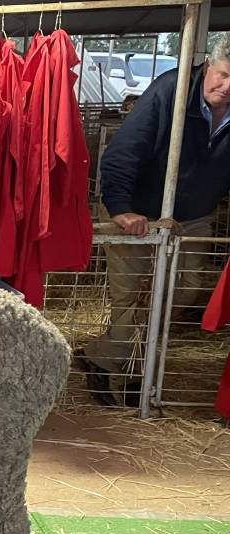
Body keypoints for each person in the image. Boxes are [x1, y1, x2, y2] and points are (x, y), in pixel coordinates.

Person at [77, 40, 230, 407]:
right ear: (208, 64)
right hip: (141, 211)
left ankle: (102, 356)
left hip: (193, 216)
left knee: (185, 290)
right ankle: (133, 374)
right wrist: (120, 208)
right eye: (224, 75)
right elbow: (123, 150)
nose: (227, 88)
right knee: (132, 294)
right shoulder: (170, 91)